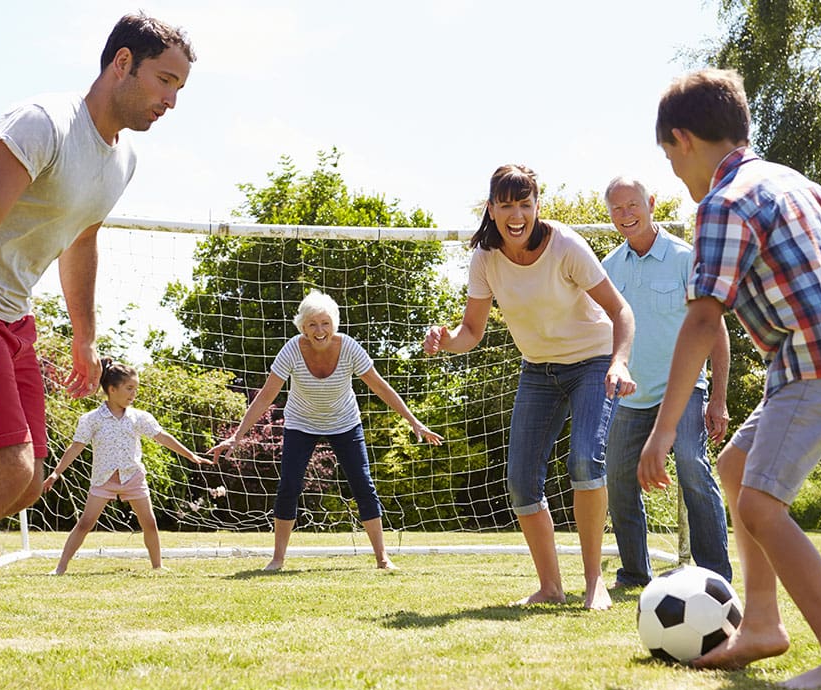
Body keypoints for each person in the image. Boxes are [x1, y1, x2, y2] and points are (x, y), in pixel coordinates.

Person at [638, 68, 821, 690]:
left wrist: (664, 429)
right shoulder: (799, 184)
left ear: (682, 139)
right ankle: (760, 624)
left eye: (670, 159)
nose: (676, 174)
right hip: (814, 361)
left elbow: (705, 317)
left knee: (760, 504)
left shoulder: (723, 203)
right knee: (736, 467)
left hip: (816, 361)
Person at [0, 13, 195, 566]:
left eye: (179, 89)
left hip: (15, 322)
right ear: (124, 63)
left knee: (28, 481)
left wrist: (85, 338)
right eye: (165, 81)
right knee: (8, 469)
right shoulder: (44, 123)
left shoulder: (123, 160)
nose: (172, 102)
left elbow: (81, 241)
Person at [424, 164, 636, 610]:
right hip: (539, 369)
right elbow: (471, 332)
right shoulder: (485, 257)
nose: (516, 214)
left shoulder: (566, 246)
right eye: (506, 205)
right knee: (521, 483)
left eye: (525, 204)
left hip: (592, 363)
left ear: (538, 206)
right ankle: (551, 587)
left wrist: (618, 362)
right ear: (492, 209)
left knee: (584, 459)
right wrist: (446, 343)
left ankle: (594, 582)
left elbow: (621, 312)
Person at [209, 290, 442, 571]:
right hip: (301, 422)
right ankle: (277, 559)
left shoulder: (349, 348)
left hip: (344, 422)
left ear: (334, 323)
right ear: (303, 328)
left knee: (363, 485)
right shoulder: (292, 350)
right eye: (312, 324)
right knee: (289, 486)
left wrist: (413, 420)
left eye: (325, 323)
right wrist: (237, 435)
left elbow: (380, 386)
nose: (320, 330)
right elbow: (266, 396)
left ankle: (382, 558)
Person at [601, 175, 732, 588]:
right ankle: (635, 573)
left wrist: (719, 400)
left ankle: (715, 577)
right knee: (618, 478)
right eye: (617, 209)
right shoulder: (608, 268)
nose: (625, 215)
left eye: (632, 205)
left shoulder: (684, 258)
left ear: (651, 203)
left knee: (693, 465)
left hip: (686, 390)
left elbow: (717, 331)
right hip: (630, 397)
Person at [42, 359, 210, 574]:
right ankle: (60, 568)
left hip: (133, 478)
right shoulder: (91, 419)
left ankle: (157, 566)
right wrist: (56, 473)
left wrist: (191, 455)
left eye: (136, 389)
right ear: (112, 389)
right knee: (84, 524)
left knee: (149, 523)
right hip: (104, 480)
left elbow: (162, 437)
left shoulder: (139, 417)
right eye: (129, 388)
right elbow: (75, 448)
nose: (133, 394)